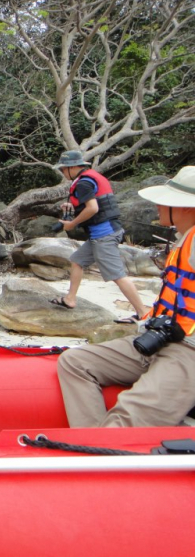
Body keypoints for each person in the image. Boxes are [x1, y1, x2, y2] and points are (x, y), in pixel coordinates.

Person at [57, 166, 195, 427]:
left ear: (186, 207)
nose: (157, 205)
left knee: (127, 419)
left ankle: (106, 449)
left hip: (189, 350)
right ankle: (93, 447)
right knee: (74, 361)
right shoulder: (184, 237)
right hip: (159, 339)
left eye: (165, 201)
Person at [49, 150, 147, 324]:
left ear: (72, 167)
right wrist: (72, 206)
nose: (63, 173)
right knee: (77, 260)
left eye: (63, 169)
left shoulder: (83, 184)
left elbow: (93, 209)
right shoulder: (89, 178)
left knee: (117, 275)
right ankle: (70, 299)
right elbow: (94, 204)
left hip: (104, 234)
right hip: (102, 232)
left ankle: (143, 313)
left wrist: (72, 224)